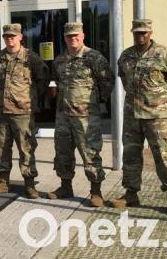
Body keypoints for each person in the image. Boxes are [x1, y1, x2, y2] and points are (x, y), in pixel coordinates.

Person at [111, 19, 167, 215]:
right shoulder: (125, 56)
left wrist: (163, 101)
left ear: (150, 32)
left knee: (163, 156)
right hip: (132, 115)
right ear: (132, 33)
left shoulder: (165, 53)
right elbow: (124, 79)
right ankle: (131, 193)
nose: (140, 35)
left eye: (144, 32)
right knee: (130, 155)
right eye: (137, 32)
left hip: (157, 116)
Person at [47, 23, 113, 207]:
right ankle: (65, 187)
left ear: (83, 35)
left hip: (86, 118)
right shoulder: (59, 61)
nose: (72, 38)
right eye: (69, 36)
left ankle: (96, 191)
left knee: (90, 154)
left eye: (76, 35)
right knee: (63, 153)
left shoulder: (94, 57)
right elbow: (57, 82)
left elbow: (107, 82)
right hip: (63, 117)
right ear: (64, 38)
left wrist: (93, 103)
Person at [0, 23, 48, 199]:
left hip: (23, 112)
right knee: (0, 148)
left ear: (20, 37)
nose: (9, 39)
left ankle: (29, 184)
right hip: (1, 112)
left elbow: (43, 79)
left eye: (13, 36)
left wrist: (31, 99)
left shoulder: (31, 58)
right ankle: (3, 182)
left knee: (26, 148)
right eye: (6, 36)